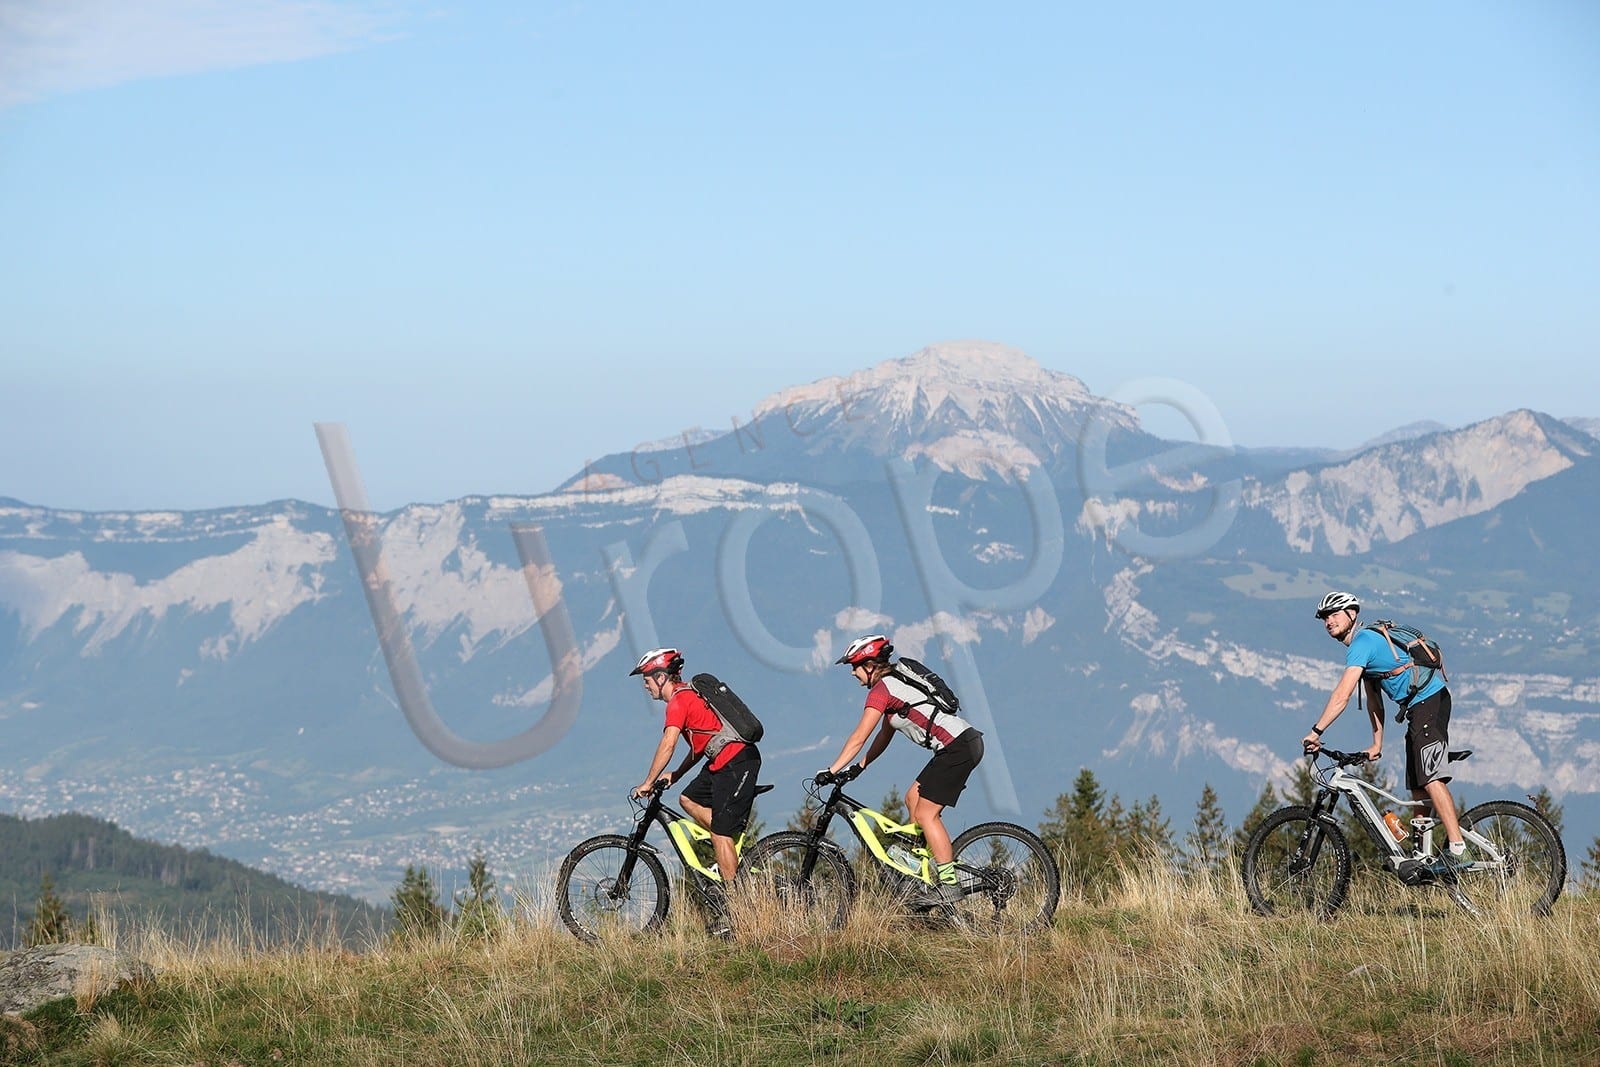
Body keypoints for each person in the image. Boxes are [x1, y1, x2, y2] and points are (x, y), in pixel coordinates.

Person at [1302, 591, 1466, 870]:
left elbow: (1342, 694)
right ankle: (1420, 854)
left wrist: (1316, 731)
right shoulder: (1365, 645)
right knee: (1417, 784)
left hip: (1429, 701)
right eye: (1325, 617)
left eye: (1334, 614)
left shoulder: (1362, 643)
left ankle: (1458, 849)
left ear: (1352, 614)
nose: (1329, 621)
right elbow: (1374, 701)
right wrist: (1376, 744)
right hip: (1419, 707)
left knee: (1430, 776)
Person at [819, 634, 984, 904]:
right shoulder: (894, 687)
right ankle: (919, 870)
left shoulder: (883, 690)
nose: (852, 673)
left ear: (870, 666)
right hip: (958, 745)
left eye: (854, 666)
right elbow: (883, 736)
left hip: (957, 748)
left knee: (928, 815)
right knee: (912, 799)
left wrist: (832, 769)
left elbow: (860, 736)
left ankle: (948, 883)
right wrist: (859, 767)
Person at [629, 647, 761, 931]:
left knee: (720, 833)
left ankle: (737, 912)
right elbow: (701, 746)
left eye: (647, 678)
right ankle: (727, 848)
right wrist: (676, 774)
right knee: (688, 799)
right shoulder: (688, 697)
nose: (645, 684)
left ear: (662, 677)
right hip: (721, 761)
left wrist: (648, 782)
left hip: (736, 762)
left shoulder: (679, 701)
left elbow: (668, 743)